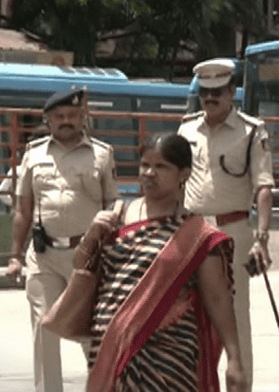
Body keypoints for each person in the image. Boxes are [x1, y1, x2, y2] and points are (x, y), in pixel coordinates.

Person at [79, 133, 246, 392]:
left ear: (184, 174)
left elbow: (218, 299)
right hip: (111, 348)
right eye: (145, 164)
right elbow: (82, 269)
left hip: (169, 357)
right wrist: (91, 236)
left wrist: (235, 359)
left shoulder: (197, 235)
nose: (149, 173)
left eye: (161, 166)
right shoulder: (116, 217)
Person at [7, 88, 117, 392]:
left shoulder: (102, 154)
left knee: (92, 331)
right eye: (59, 116)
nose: (66, 121)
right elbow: (23, 210)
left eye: (71, 115)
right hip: (44, 256)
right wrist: (14, 256)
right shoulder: (33, 154)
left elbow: (111, 203)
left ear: (82, 118)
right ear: (49, 120)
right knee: (45, 328)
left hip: (88, 256)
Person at [177, 58, 274, 391]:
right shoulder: (186, 130)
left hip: (232, 233)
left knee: (234, 318)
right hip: (191, 231)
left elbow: (263, 186)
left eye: (218, 91)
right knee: (188, 317)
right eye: (205, 92)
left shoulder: (251, 131)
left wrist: (262, 238)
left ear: (232, 92)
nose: (210, 98)